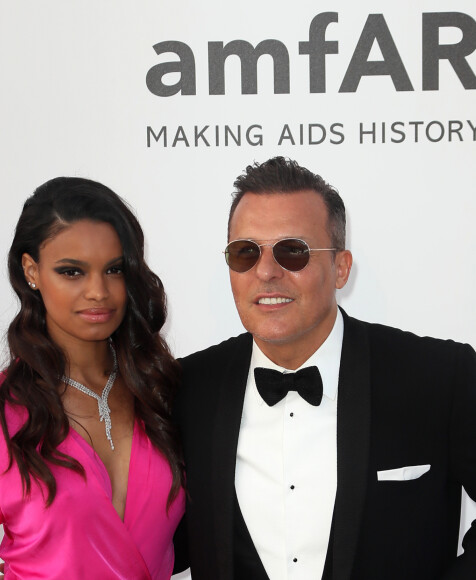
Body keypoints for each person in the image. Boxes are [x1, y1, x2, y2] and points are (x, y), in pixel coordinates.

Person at [173, 156, 476, 579]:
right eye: (245, 252)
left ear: (341, 267)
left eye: (292, 252)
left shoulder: (440, 376)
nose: (265, 272)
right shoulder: (187, 388)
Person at [0, 177, 185, 580]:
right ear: (31, 271)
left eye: (114, 269)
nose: (98, 292)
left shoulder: (161, 390)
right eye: (72, 272)